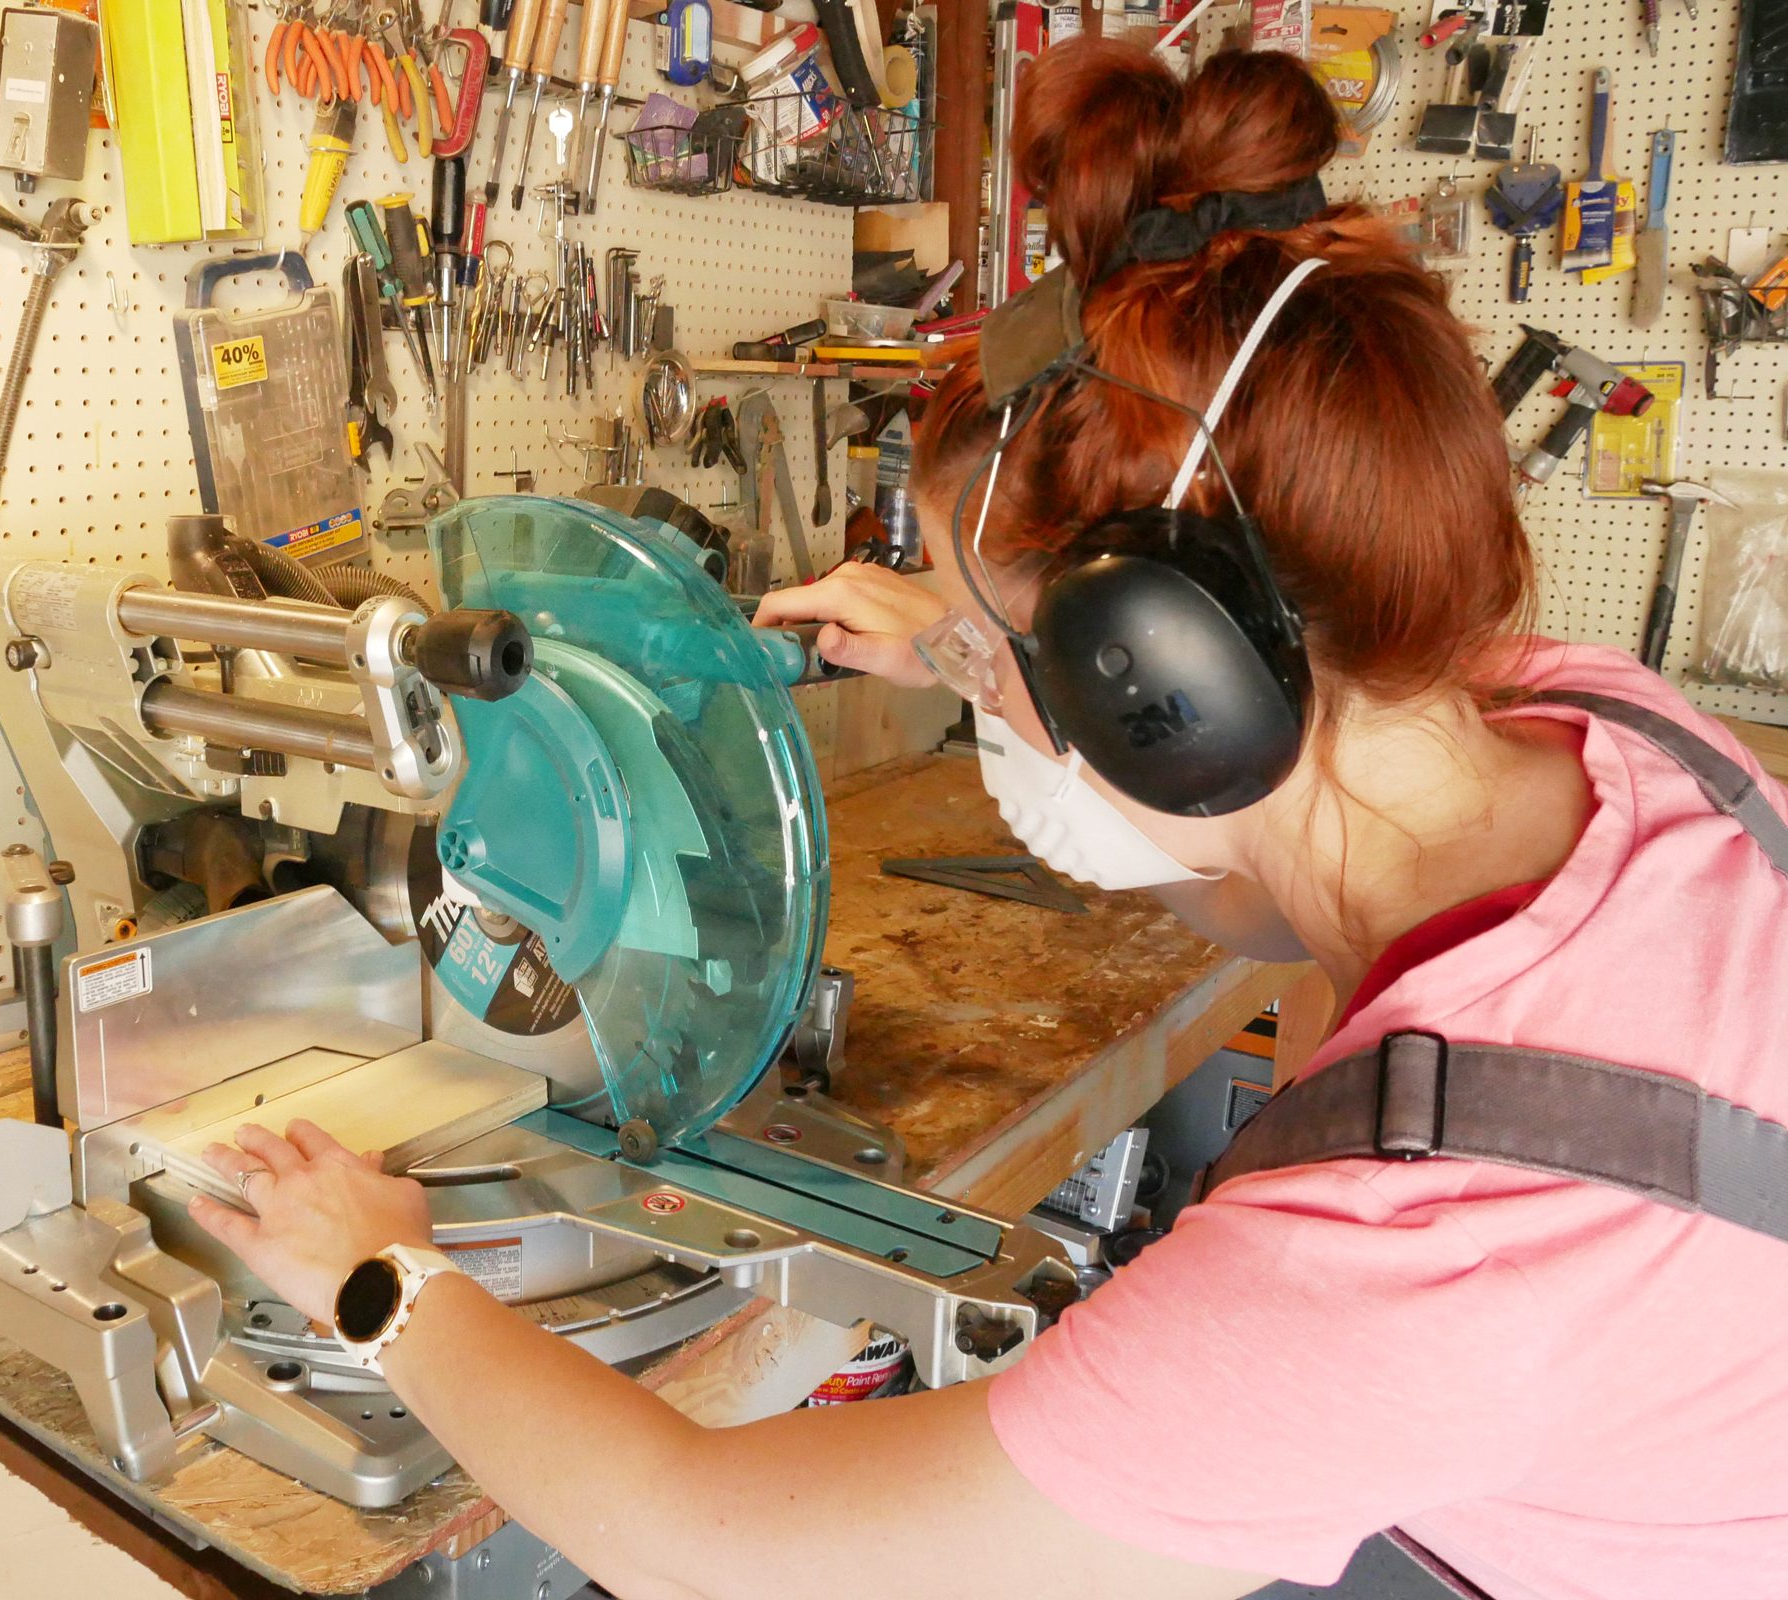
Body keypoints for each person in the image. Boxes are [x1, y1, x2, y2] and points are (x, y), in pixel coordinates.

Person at [187, 39, 1788, 1600]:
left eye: (984, 650)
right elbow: (1289, 869)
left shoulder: (1411, 1262)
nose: (970, 687)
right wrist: (971, 641)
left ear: (1165, 687)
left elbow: (686, 1539)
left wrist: (376, 1275)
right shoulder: (1605, 728)